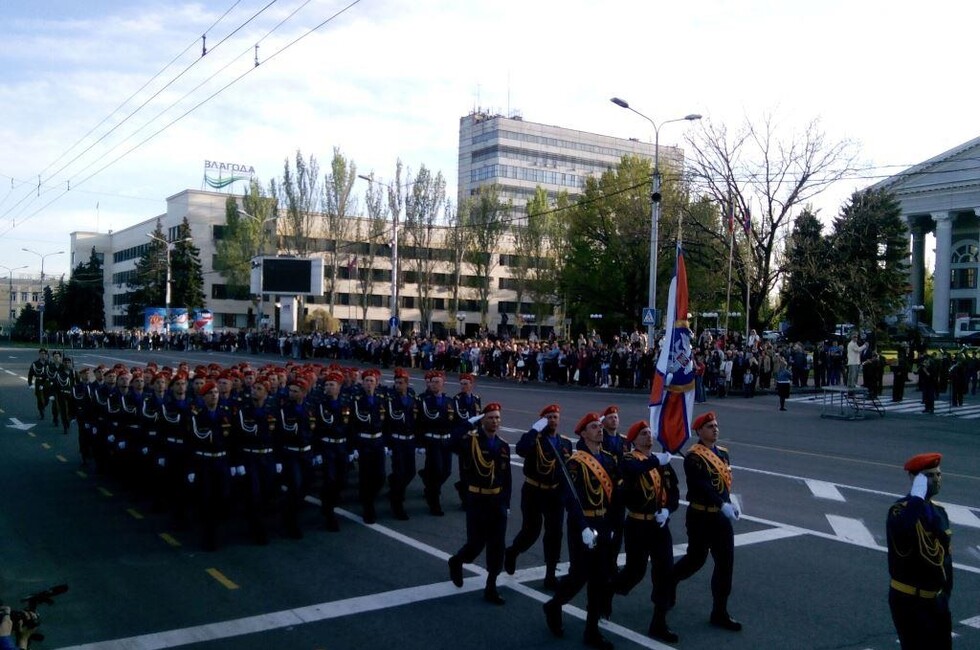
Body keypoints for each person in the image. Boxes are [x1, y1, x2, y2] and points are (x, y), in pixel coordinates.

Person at [671, 411, 742, 632]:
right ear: (699, 431)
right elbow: (701, 484)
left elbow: (724, 483)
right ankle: (670, 580)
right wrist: (722, 504)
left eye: (716, 425)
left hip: (720, 519)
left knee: (725, 564)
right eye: (710, 426)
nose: (715, 429)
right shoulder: (693, 457)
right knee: (696, 559)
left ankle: (719, 611)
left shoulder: (723, 454)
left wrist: (731, 501)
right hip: (701, 516)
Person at [611, 421, 680, 643]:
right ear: (633, 440)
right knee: (635, 572)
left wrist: (667, 510)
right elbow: (631, 472)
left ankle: (659, 622)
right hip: (637, 525)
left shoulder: (661, 462)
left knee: (665, 573)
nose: (649, 437)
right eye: (643, 434)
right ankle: (606, 593)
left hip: (659, 526)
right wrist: (654, 460)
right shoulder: (630, 460)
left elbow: (674, 493)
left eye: (650, 433)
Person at [448, 402, 512, 605]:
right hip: (477, 500)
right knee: (475, 544)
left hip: (497, 502)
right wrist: (467, 423)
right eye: (491, 417)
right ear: (482, 420)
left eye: (497, 418)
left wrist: (506, 503)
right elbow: (451, 443)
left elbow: (507, 478)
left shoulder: (503, 446)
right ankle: (457, 561)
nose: (495, 421)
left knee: (497, 546)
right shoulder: (471, 441)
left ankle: (491, 586)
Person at [886, 452, 952, 650]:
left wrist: (945, 594)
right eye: (929, 476)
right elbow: (904, 532)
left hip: (936, 600)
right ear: (915, 480)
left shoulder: (939, 511)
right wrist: (916, 499)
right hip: (910, 601)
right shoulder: (900, 510)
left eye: (938, 474)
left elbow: (945, 557)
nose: (937, 479)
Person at [505, 404, 573, 590]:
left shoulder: (565, 443)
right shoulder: (534, 439)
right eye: (548, 417)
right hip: (534, 491)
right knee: (531, 530)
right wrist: (534, 430)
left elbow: (567, 471)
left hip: (555, 493)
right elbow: (520, 449)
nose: (552, 420)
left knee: (555, 533)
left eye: (554, 417)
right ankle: (512, 552)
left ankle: (550, 574)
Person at [416, 369, 456, 516]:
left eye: (437, 382)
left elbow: (455, 422)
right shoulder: (423, 401)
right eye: (432, 382)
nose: (434, 384)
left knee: (446, 471)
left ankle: (429, 485)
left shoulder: (449, 401)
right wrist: (420, 443)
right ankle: (434, 501)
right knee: (437, 470)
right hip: (432, 441)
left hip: (446, 441)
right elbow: (419, 422)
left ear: (443, 384)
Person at [27, 348, 50, 420]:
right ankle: (41, 411)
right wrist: (30, 383)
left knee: (46, 399)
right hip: (38, 382)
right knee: (40, 398)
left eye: (44, 354)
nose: (43, 355)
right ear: (39, 354)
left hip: (47, 382)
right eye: (41, 354)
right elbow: (30, 374)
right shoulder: (35, 363)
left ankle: (42, 407)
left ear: (46, 355)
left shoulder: (49, 363)